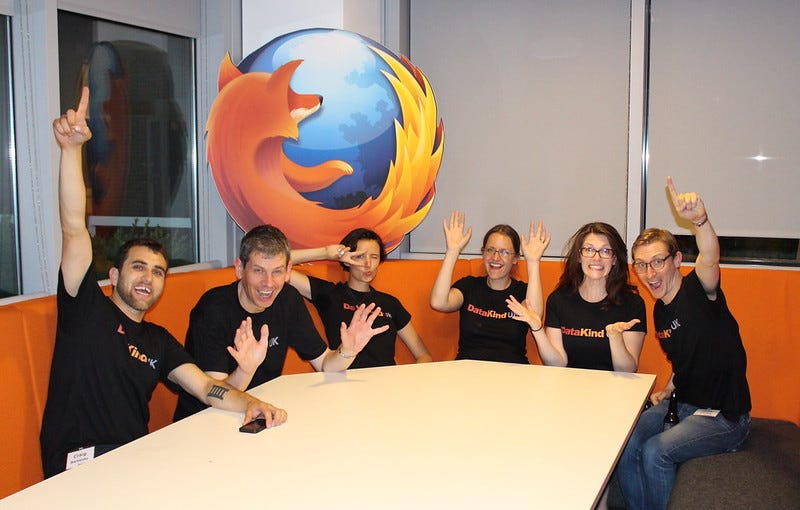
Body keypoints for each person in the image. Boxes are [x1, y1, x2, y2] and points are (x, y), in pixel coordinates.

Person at [41, 87, 287, 479]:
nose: (148, 278)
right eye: (138, 267)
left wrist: (249, 403)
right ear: (114, 276)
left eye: (158, 272)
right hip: (78, 463)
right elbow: (73, 228)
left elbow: (207, 388)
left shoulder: (157, 341)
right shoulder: (84, 307)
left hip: (134, 459)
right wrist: (71, 151)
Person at [617, 177, 751, 510]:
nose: (650, 273)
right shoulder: (660, 311)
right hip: (685, 403)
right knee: (627, 442)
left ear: (677, 260)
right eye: (642, 265)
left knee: (655, 451)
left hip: (725, 417)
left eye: (658, 261)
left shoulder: (698, 290)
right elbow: (682, 359)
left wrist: (701, 222)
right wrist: (666, 388)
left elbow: (709, 255)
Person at [173, 225, 389, 421]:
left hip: (262, 413)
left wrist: (347, 351)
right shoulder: (213, 308)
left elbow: (325, 364)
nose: (268, 283)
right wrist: (245, 371)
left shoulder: (288, 299)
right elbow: (213, 395)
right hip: (206, 421)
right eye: (258, 271)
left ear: (288, 272)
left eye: (277, 272)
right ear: (240, 269)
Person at [507, 222, 646, 372]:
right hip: (568, 389)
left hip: (614, 390)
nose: (596, 258)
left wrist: (615, 337)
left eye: (605, 251)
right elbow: (557, 364)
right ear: (579, 256)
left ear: (614, 259)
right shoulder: (559, 300)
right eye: (589, 250)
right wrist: (537, 328)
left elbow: (627, 371)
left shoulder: (632, 304)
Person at [289, 228, 433, 368]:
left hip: (387, 385)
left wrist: (404, 381)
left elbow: (424, 356)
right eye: (360, 256)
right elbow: (277, 265)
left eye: (374, 257)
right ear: (346, 260)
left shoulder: (390, 303)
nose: (367, 264)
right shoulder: (330, 294)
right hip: (343, 380)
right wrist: (326, 252)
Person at [430, 210, 550, 364]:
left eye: (504, 252)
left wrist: (533, 262)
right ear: (483, 253)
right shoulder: (469, 286)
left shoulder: (522, 292)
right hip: (469, 373)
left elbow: (536, 316)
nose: (495, 258)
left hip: (513, 374)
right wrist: (452, 251)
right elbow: (438, 302)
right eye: (490, 250)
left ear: (515, 259)